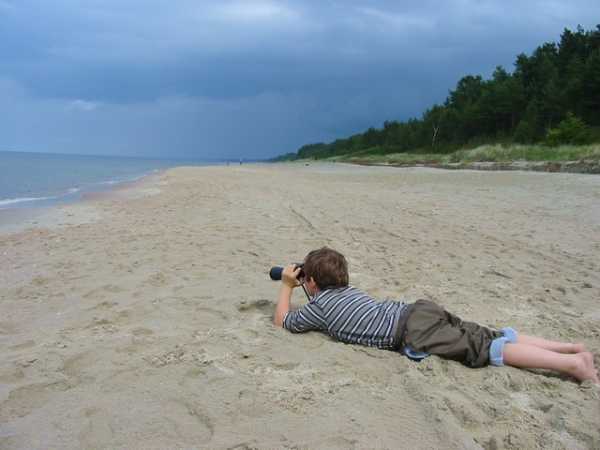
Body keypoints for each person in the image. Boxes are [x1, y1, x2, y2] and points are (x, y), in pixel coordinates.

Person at [273, 247, 599, 384]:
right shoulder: (349, 291)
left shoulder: (319, 310)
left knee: (483, 350)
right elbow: (327, 293)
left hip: (411, 331)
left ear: (310, 281)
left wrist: (288, 286)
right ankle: (568, 347)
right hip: (418, 309)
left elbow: (284, 322)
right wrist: (309, 281)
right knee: (485, 333)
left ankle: (571, 365)